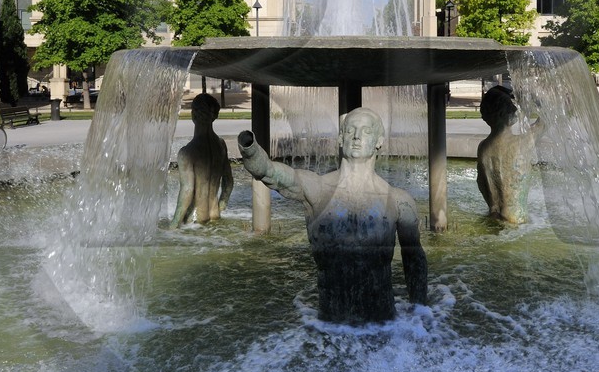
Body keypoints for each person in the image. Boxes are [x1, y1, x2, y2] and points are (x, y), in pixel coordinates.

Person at [238, 106, 428, 323]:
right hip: (330, 329)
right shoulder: (317, 189)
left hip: (381, 327)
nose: (356, 136)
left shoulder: (399, 201)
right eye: (350, 130)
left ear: (379, 141)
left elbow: (414, 260)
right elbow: (269, 172)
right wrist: (250, 148)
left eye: (366, 131)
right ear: (340, 138)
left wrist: (419, 316)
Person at [169, 93, 235, 227]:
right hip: (215, 215)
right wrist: (221, 205)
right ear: (214, 116)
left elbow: (187, 191)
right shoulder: (221, 145)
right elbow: (228, 182)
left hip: (195, 220)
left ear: (193, 115)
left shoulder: (187, 152)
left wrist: (173, 226)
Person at [476, 85, 539, 225]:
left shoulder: (483, 147)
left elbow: (481, 183)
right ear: (509, 113)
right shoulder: (522, 142)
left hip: (493, 216)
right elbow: (546, 120)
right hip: (515, 218)